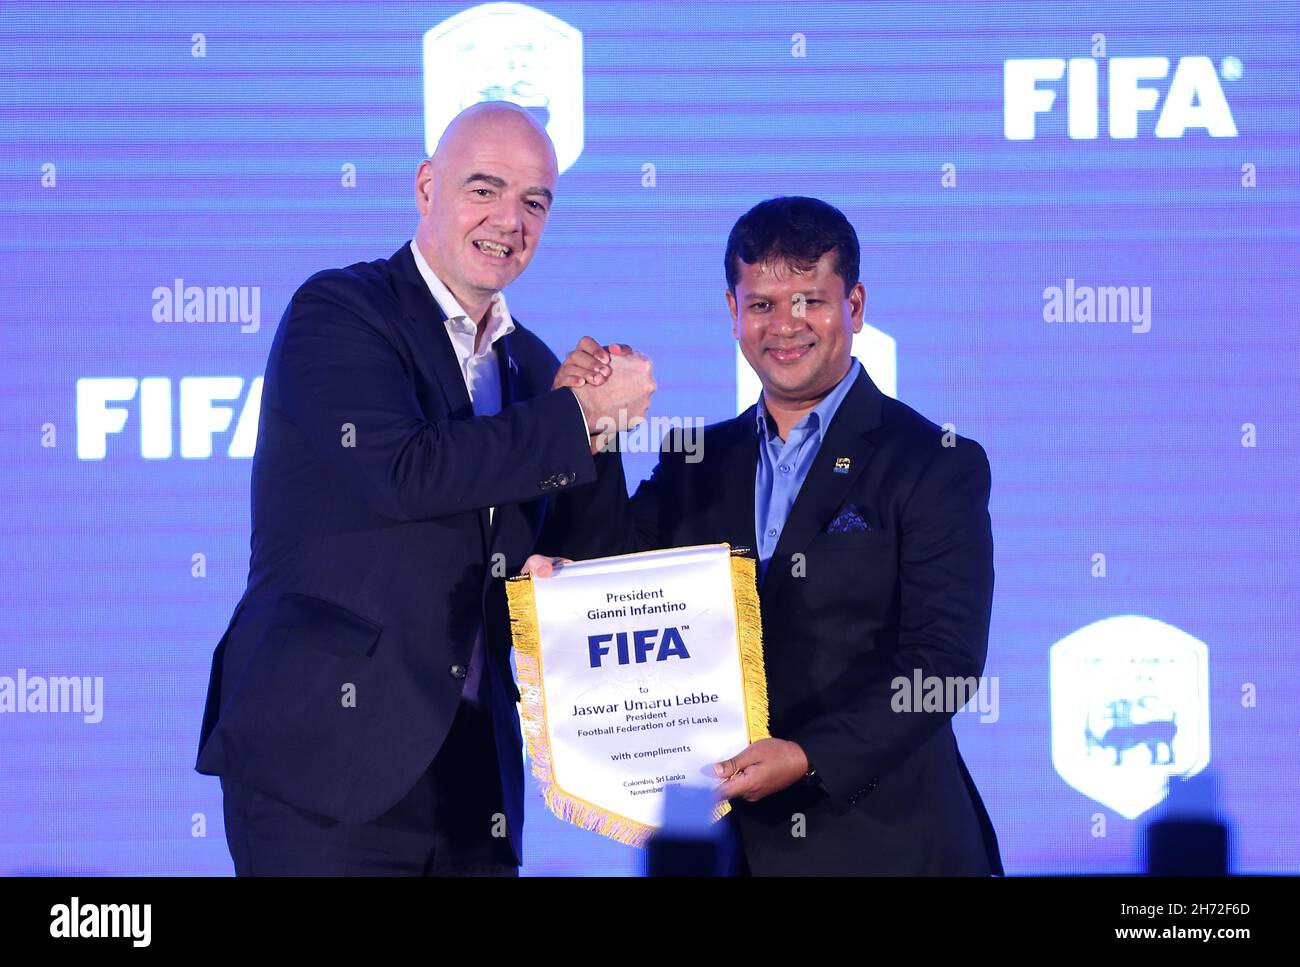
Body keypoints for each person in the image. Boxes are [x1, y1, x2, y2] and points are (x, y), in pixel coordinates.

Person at [195, 101, 654, 875]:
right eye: (485, 188)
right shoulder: (339, 311)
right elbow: (405, 469)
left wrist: (595, 431)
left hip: (476, 780)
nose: (510, 219)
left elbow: (585, 557)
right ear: (425, 186)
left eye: (534, 201)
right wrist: (572, 418)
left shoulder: (534, 367)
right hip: (325, 763)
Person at [536, 196, 1003, 875]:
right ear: (733, 312)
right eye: (761, 305)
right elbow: (601, 581)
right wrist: (590, 428)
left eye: (810, 300)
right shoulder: (695, 459)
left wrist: (810, 754)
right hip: (726, 851)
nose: (785, 326)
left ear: (857, 305)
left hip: (889, 844)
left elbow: (944, 663)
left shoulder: (936, 462)